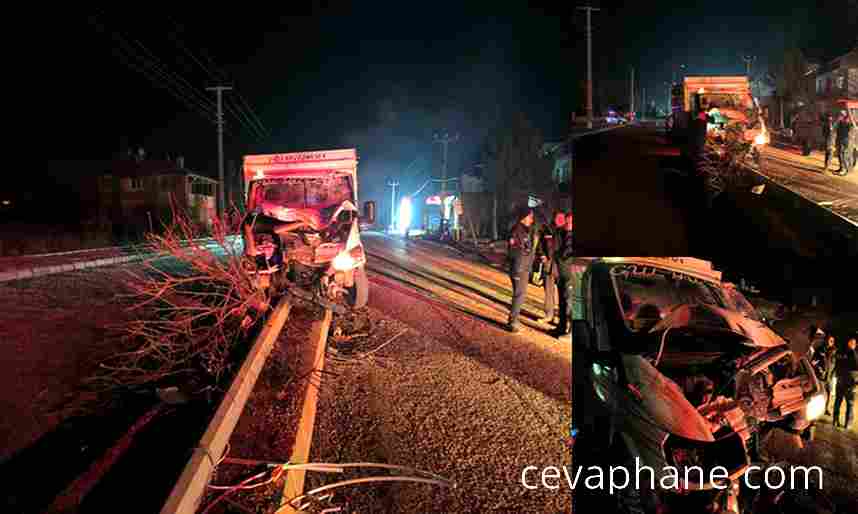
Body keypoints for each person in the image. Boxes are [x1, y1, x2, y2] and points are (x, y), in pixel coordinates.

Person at [506, 206, 535, 332]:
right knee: (519, 295)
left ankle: (514, 320)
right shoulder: (516, 231)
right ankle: (512, 322)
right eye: (530, 216)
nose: (532, 219)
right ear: (524, 217)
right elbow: (514, 251)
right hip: (519, 268)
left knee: (520, 295)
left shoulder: (525, 230)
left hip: (523, 268)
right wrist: (519, 268)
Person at [536, 210, 564, 324]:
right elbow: (540, 245)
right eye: (558, 218)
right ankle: (549, 315)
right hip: (549, 265)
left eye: (561, 219)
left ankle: (562, 318)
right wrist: (542, 255)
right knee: (548, 292)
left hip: (561, 267)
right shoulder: (546, 230)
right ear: (554, 218)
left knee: (563, 294)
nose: (559, 221)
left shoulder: (567, 232)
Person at [553, 211, 575, 341]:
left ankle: (572, 333)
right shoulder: (562, 234)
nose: (568, 223)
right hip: (562, 274)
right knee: (562, 302)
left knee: (571, 304)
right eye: (567, 221)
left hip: (572, 276)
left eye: (571, 221)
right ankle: (561, 327)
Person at [833, 337, 858, 429]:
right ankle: (841, 422)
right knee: (844, 403)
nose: (853, 344)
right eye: (852, 342)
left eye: (854, 343)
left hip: (846, 382)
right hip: (846, 382)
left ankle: (841, 422)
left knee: (843, 403)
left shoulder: (841, 352)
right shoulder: (848, 353)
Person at [811, 335, 838, 415]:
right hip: (820, 376)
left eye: (831, 341)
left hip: (829, 377)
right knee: (819, 393)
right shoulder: (819, 349)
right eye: (829, 340)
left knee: (828, 393)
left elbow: (836, 364)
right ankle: (816, 409)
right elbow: (813, 361)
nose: (830, 342)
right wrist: (818, 367)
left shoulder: (835, 351)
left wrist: (833, 374)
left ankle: (826, 409)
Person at [834, 110, 853, 176]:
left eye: (842, 114)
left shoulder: (847, 122)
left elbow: (851, 127)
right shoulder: (839, 122)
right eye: (840, 114)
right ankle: (841, 168)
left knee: (844, 155)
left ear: (845, 115)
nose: (840, 115)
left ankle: (845, 170)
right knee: (839, 154)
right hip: (839, 139)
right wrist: (837, 121)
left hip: (845, 140)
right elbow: (834, 128)